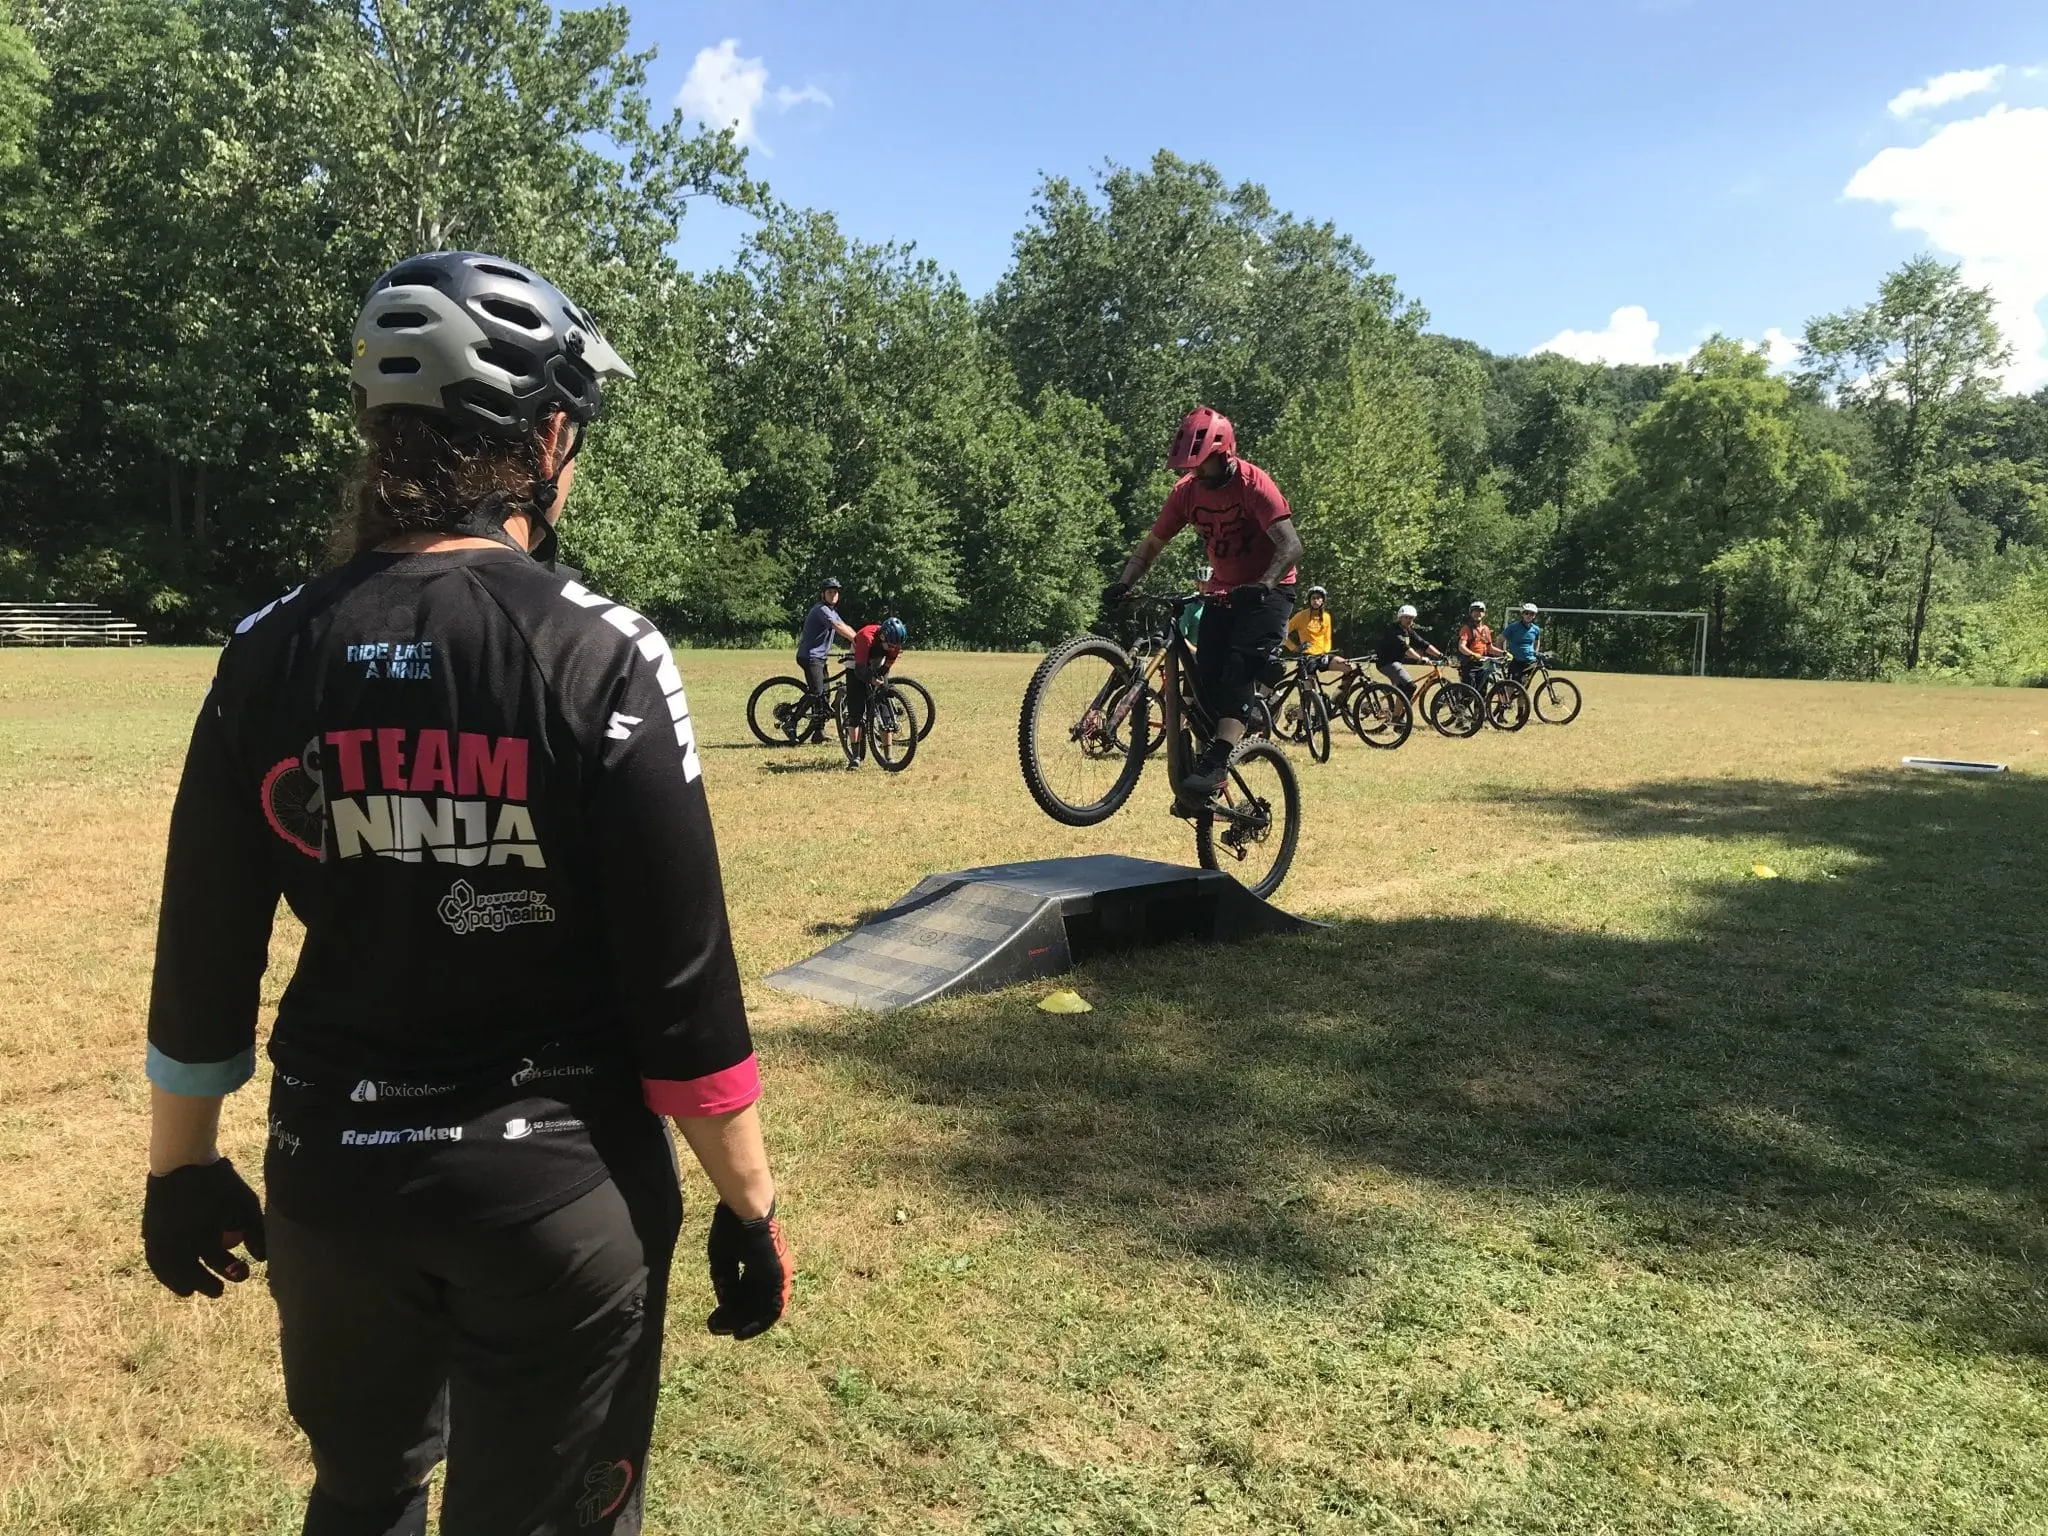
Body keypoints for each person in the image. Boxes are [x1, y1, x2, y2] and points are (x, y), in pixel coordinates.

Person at [140, 251, 789, 1536]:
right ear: (544, 441)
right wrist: (749, 1203)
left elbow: (202, 952)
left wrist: (181, 1168)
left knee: (361, 1499)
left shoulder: (265, 649)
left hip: (333, 1187)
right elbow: (683, 998)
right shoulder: (602, 653)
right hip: (556, 1194)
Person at [1102, 406, 1304, 801]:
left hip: (1270, 590)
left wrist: (1263, 584)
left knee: (1240, 667)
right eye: (1189, 467)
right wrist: (1123, 583)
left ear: (1225, 454)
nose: (1195, 473)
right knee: (1204, 681)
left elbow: (1291, 546)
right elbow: (1152, 545)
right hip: (1222, 592)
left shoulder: (1253, 483)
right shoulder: (1186, 492)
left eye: (1202, 465)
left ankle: (1220, 757)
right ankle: (1204, 769)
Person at [843, 616, 907, 763]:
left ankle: (888, 756)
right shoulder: (866, 637)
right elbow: (860, 671)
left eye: (896, 646)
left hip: (877, 659)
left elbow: (888, 663)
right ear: (883, 637)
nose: (894, 649)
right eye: (891, 645)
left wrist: (881, 679)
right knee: (856, 709)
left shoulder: (895, 642)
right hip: (857, 662)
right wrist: (874, 681)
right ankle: (855, 756)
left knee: (883, 705)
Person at [1283, 585, 1355, 683]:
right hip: (1308, 657)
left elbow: (1327, 638)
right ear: (1309, 601)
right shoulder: (1301, 616)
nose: (1316, 601)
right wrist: (1294, 648)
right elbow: (1283, 633)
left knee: (1350, 667)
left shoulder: (1326, 617)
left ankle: (1340, 692)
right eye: (1313, 598)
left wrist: (1325, 652)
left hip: (1322, 655)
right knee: (1310, 688)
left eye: (1318, 598)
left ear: (1323, 600)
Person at [797, 578, 854, 699]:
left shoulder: (832, 611)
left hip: (820, 658)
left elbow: (845, 626)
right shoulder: (821, 609)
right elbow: (838, 626)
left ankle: (818, 710)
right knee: (817, 693)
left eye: (835, 592)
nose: (833, 595)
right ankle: (798, 711)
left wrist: (860, 639)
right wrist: (856, 641)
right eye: (830, 592)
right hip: (810, 657)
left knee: (825, 694)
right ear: (823, 594)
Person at [1375, 604, 1447, 698]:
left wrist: (1440, 655)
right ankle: (1400, 708)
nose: (1409, 620)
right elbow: (1405, 648)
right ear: (1400, 618)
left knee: (1402, 689)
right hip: (1386, 663)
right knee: (1409, 687)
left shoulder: (1408, 631)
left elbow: (1423, 644)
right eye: (1406, 617)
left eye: (1411, 618)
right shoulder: (1394, 631)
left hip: (1396, 663)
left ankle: (1398, 707)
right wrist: (1420, 658)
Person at [1456, 601, 1500, 690]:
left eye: (1480, 611)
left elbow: (1490, 648)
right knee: (1469, 692)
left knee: (1482, 693)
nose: (1477, 613)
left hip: (1483, 664)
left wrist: (1503, 653)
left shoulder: (1486, 629)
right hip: (1469, 664)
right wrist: (1472, 654)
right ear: (1471, 613)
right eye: (1474, 611)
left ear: (1484, 613)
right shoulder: (1466, 629)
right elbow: (1461, 646)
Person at [1503, 602, 1542, 682]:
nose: (1528, 616)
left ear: (1534, 616)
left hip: (1530, 661)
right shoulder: (1513, 627)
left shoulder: (1536, 629)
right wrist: (1503, 654)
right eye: (1526, 613)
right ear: (1522, 614)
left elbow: (1537, 641)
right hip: (1516, 661)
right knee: (1512, 684)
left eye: (1531, 614)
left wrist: (1535, 652)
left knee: (1524, 683)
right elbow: (1500, 640)